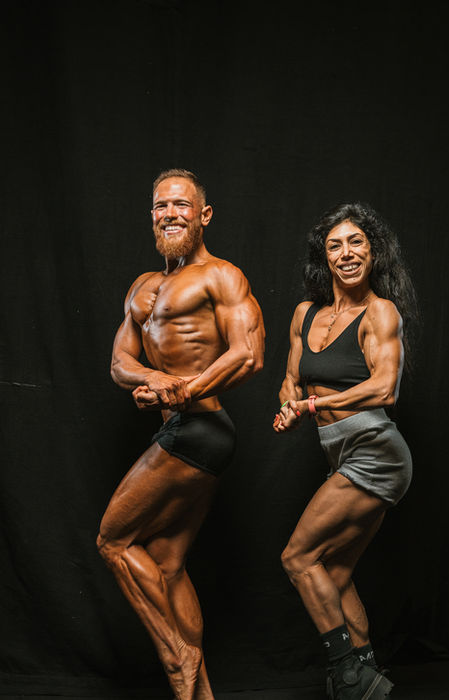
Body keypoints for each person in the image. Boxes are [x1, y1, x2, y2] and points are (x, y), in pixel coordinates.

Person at [97, 169, 265, 700]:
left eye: (181, 205)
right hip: (185, 430)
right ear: (151, 216)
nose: (170, 214)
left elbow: (248, 355)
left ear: (204, 215)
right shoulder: (142, 287)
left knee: (113, 541)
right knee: (168, 566)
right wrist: (153, 379)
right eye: (160, 206)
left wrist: (182, 391)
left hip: (201, 427)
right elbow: (120, 362)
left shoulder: (222, 276)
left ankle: (176, 656)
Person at [273, 202, 417, 700]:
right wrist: (289, 407)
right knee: (333, 572)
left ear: (373, 253)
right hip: (343, 453)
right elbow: (291, 381)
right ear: (325, 257)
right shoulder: (305, 314)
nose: (347, 253)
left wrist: (316, 404)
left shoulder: (380, 312)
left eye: (357, 242)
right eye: (335, 245)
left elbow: (385, 388)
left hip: (377, 452)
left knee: (298, 557)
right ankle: (371, 678)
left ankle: (348, 676)